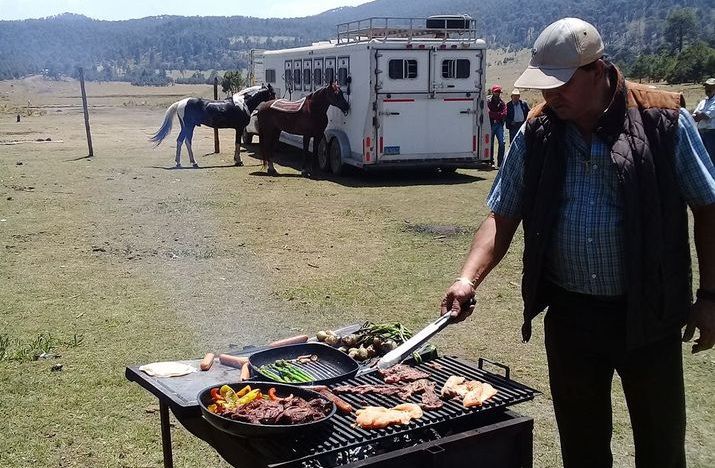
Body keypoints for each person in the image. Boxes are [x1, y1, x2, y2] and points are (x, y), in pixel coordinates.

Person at [440, 17, 715, 468]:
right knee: (582, 447)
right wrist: (467, 279)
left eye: (561, 84)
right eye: (543, 85)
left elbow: (708, 207)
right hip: (571, 318)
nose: (550, 96)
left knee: (662, 447)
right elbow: (501, 216)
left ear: (598, 70)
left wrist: (710, 297)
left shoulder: (663, 119)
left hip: (650, 314)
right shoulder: (538, 131)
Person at [693, 77, 715, 163]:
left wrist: (700, 114)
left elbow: (705, 116)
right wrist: (699, 115)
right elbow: (694, 117)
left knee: (712, 158)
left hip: (712, 134)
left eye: (711, 87)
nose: (708, 89)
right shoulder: (703, 102)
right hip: (701, 133)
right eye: (706, 87)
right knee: (702, 158)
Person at [487, 84, 507, 168]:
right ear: (493, 92)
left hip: (499, 125)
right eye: (496, 92)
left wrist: (494, 114)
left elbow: (504, 114)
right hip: (491, 125)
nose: (497, 93)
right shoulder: (488, 102)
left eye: (498, 92)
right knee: (490, 144)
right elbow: (488, 113)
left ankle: (500, 162)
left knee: (502, 143)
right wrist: (498, 114)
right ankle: (491, 161)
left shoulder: (502, 103)